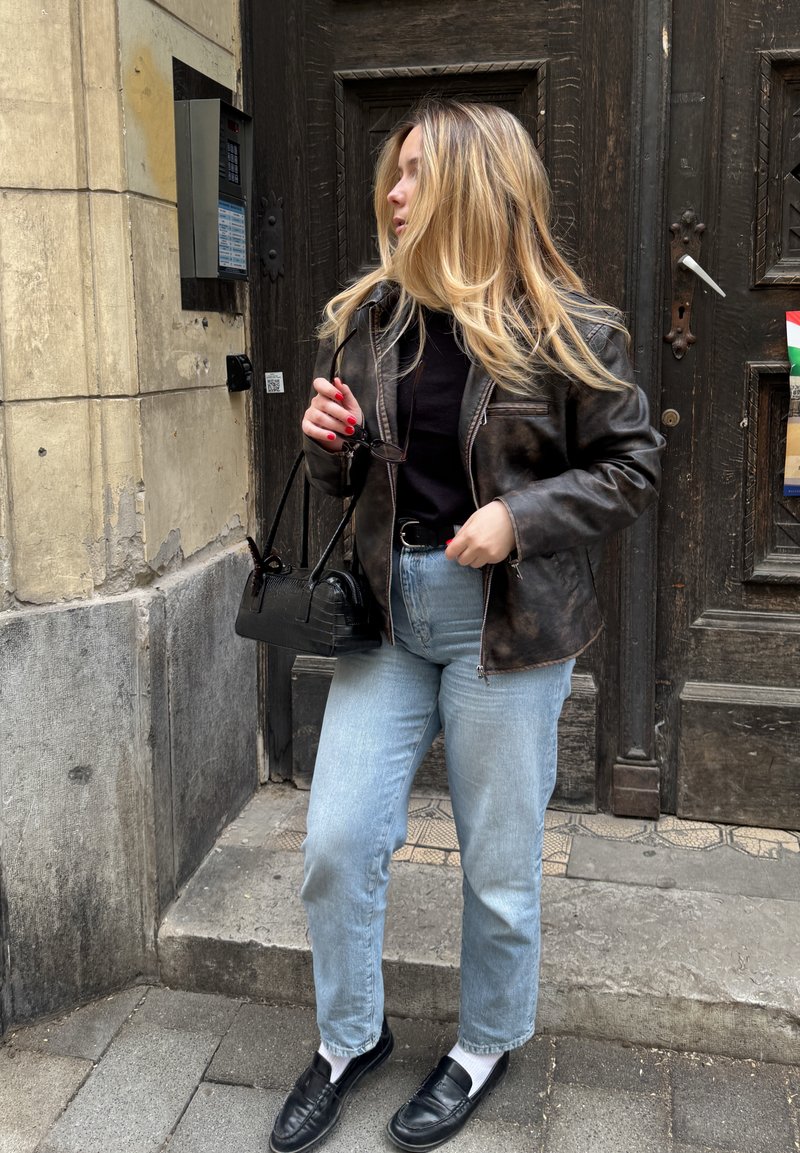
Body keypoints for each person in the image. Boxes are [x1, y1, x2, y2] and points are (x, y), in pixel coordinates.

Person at [269, 99, 664, 1153]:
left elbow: (630, 468)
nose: (391, 194)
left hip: (507, 626)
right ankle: (352, 1037)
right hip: (390, 617)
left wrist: (516, 517)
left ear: (474, 186)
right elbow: (343, 483)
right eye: (392, 174)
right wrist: (326, 445)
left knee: (497, 860)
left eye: (412, 174)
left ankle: (487, 1039)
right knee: (337, 839)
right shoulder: (373, 321)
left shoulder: (573, 329)